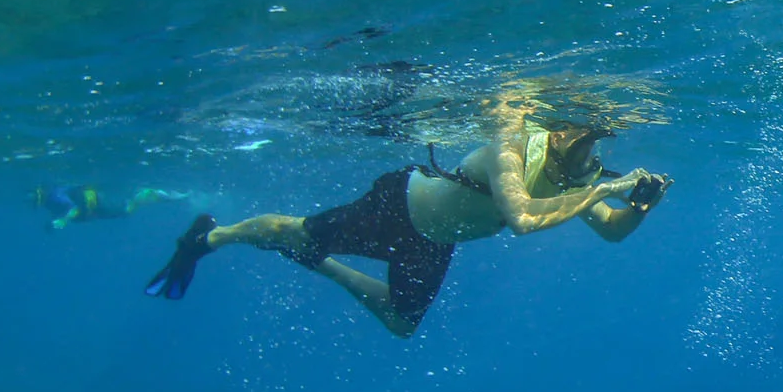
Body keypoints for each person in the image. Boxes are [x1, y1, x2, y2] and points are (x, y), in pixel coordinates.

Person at [142, 111, 670, 338]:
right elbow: (524, 219)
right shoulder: (513, 147)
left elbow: (611, 230)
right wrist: (602, 191)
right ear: (557, 134)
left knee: (401, 323)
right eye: (584, 146)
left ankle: (319, 263)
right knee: (293, 231)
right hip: (398, 206)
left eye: (594, 154)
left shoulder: (582, 179)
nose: (592, 162)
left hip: (433, 241)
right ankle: (209, 238)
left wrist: (640, 208)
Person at [35, 183, 176, 230]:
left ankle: (153, 194)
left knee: (127, 208)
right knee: (125, 209)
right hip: (94, 209)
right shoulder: (51, 201)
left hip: (95, 205)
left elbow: (74, 208)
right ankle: (155, 195)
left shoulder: (55, 196)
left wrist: (64, 220)